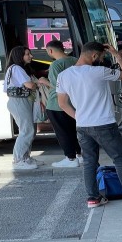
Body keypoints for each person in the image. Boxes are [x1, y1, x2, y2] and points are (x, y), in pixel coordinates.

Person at [57, 41, 122, 208]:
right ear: (94, 55)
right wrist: (116, 54)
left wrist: (79, 117)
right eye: (101, 56)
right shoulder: (99, 71)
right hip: (104, 123)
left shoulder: (64, 75)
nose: (101, 59)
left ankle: (93, 198)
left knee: (89, 162)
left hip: (82, 126)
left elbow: (62, 103)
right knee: (119, 159)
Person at [4, 46, 48, 170]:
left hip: (21, 101)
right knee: (27, 130)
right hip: (20, 102)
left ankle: (25, 157)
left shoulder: (15, 68)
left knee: (30, 130)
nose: (31, 56)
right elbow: (29, 85)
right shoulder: (17, 68)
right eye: (27, 54)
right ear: (19, 56)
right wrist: (37, 83)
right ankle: (19, 160)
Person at [44, 40, 81, 168]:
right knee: (73, 130)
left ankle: (70, 158)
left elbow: (56, 86)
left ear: (50, 51)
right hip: (74, 103)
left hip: (57, 104)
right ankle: (80, 155)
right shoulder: (75, 60)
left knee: (62, 132)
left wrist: (44, 81)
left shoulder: (55, 65)